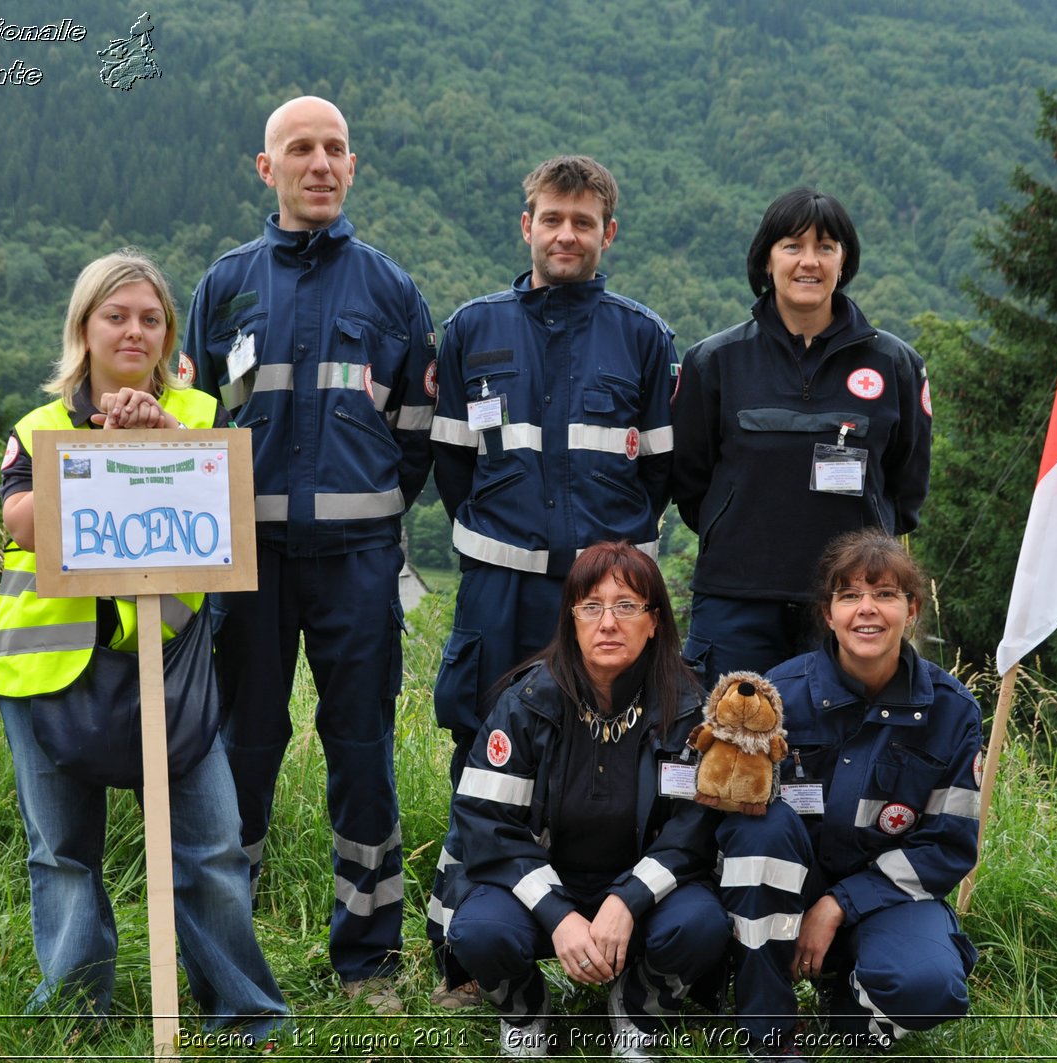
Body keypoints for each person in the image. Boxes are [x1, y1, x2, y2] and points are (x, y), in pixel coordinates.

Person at [0, 250, 289, 1043]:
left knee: (214, 845)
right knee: (62, 856)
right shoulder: (39, 425)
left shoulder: (200, 416)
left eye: (149, 318)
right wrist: (107, 452)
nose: (133, 330)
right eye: (115, 315)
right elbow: (16, 520)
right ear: (83, 328)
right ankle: (77, 1018)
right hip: (46, 674)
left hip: (172, 679)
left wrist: (160, 442)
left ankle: (246, 1014)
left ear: (168, 336)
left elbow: (231, 521)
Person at [182, 96, 435, 1009]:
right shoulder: (226, 286)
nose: (319, 164)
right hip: (244, 567)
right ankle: (225, 957)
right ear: (267, 168)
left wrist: (361, 513)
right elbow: (194, 418)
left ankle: (367, 962)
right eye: (300, 149)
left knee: (361, 753)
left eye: (334, 149)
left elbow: (416, 434)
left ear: (352, 166)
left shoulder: (392, 289)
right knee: (241, 754)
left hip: (359, 565)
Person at [426, 157, 678, 1003]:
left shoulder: (644, 337)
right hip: (501, 589)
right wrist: (513, 541)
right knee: (482, 753)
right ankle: (469, 951)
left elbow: (661, 476)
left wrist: (599, 571)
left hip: (602, 595)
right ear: (524, 225)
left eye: (582, 220)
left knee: (618, 753)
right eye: (550, 218)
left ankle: (619, 939)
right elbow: (453, 467)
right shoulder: (470, 330)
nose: (564, 233)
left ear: (608, 233)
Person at [440, 541, 728, 1059]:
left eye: (626, 606)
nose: (608, 622)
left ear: (654, 621)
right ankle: (526, 1009)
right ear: (571, 619)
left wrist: (628, 899)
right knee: (481, 932)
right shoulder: (526, 703)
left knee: (701, 925)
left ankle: (640, 1006)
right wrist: (557, 914)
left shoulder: (689, 712)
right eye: (590, 606)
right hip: (541, 886)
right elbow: (485, 822)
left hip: (646, 894)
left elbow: (695, 832)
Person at [717, 530, 980, 1059]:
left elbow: (947, 847)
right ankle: (768, 1031)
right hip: (784, 891)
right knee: (758, 828)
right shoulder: (776, 696)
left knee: (929, 988)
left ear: (912, 609)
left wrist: (840, 903)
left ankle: (851, 1008)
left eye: (884, 594)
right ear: (828, 613)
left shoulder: (952, 711)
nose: (867, 610)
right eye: (849, 595)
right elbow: (733, 821)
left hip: (885, 900)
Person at [671, 188, 932, 684]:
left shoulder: (895, 365)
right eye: (792, 246)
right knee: (732, 746)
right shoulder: (715, 361)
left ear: (843, 260)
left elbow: (906, 482)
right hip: (736, 603)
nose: (808, 261)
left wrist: (863, 574)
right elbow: (690, 482)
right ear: (766, 260)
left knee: (846, 749)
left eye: (825, 247)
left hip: (852, 603)